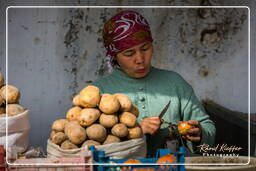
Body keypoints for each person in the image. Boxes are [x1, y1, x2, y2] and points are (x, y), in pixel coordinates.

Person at [92, 10, 216, 157]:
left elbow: (208, 128)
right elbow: (92, 145)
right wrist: (136, 132)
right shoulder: (99, 91)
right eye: (129, 54)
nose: (140, 59)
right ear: (114, 56)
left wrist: (200, 134)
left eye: (145, 48)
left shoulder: (174, 83)